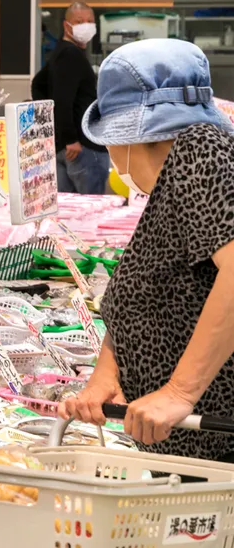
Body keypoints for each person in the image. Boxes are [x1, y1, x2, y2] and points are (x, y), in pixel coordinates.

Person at [58, 39, 234, 461]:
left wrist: (180, 392)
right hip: (183, 453)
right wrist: (107, 375)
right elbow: (151, 293)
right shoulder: (172, 182)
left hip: (217, 446)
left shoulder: (200, 149)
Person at [32, 2, 110, 195]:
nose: (86, 25)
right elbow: (62, 100)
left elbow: (37, 85)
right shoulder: (70, 55)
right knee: (91, 207)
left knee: (67, 207)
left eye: (90, 21)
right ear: (67, 26)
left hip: (63, 148)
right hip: (81, 148)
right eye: (80, 21)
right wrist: (70, 138)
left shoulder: (60, 53)